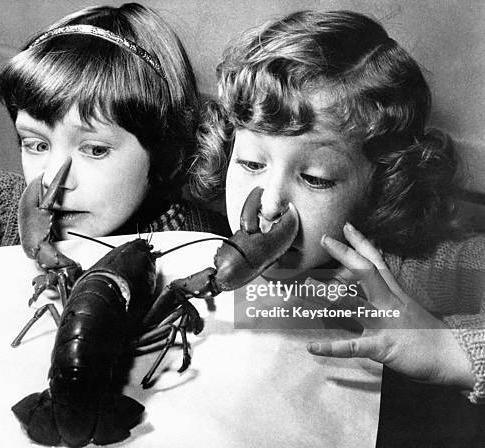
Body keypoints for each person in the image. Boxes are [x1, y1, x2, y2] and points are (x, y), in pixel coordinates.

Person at [190, 10, 484, 403]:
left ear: (382, 185)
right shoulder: (197, 232)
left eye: (315, 178)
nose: (272, 203)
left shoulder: (410, 269)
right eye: (251, 164)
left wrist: (447, 352)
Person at [0, 3, 229, 284]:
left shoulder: (208, 239)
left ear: (167, 155)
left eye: (95, 149)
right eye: (37, 145)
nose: (53, 180)